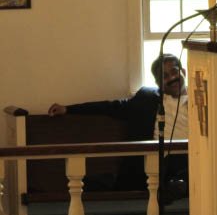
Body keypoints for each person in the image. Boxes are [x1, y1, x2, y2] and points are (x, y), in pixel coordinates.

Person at [48, 53, 188, 194]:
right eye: (165, 76)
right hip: (157, 166)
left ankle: (177, 185)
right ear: (158, 83)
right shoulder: (146, 98)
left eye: (174, 72)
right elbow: (109, 107)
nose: (172, 78)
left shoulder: (198, 99)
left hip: (191, 161)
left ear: (183, 71)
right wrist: (68, 109)